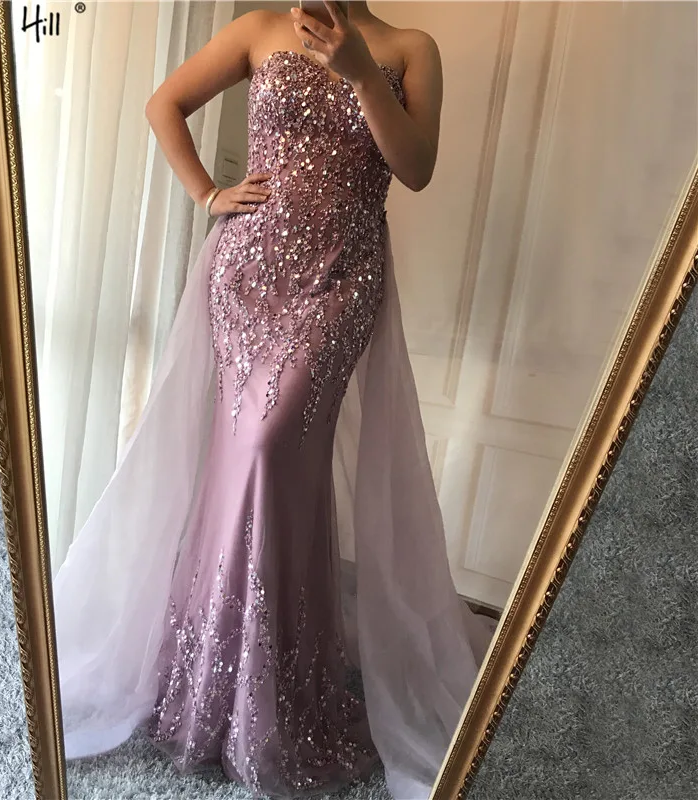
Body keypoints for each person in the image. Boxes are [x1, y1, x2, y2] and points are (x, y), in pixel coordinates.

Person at [52, 3, 495, 799]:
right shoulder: (258, 28)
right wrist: (207, 193)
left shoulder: (408, 48)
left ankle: (280, 685)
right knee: (242, 459)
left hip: (341, 276)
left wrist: (362, 74)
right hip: (250, 271)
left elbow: (417, 167)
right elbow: (164, 104)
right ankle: (210, 674)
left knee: (275, 451)